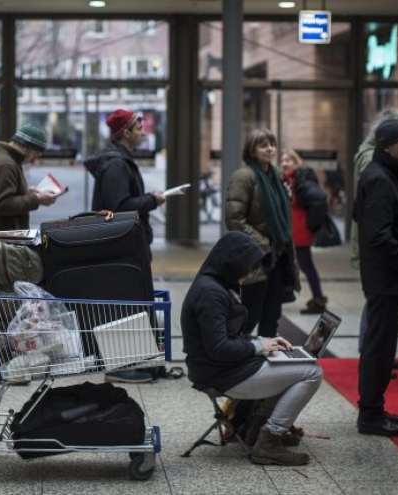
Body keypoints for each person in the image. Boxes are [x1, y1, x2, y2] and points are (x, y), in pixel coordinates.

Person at [181, 230, 322, 466]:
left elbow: (228, 338)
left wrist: (264, 343)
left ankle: (256, 430)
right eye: (245, 266)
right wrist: (259, 346)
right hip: (220, 373)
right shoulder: (211, 293)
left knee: (290, 362)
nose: (249, 273)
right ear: (231, 263)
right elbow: (219, 348)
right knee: (312, 372)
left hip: (225, 367)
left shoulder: (217, 283)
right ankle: (269, 440)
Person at [83, 108, 166, 384]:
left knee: (130, 302)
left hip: (124, 244)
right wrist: (152, 200)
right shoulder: (117, 164)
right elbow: (120, 207)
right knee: (126, 305)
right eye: (138, 127)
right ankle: (121, 365)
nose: (143, 132)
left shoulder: (119, 160)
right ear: (125, 132)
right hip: (123, 245)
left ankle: (133, 361)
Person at [0, 122, 57, 383]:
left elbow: (3, 196)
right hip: (3, 248)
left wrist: (27, 192)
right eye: (37, 152)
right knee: (2, 306)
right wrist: (37, 199)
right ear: (26, 146)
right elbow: (2, 204)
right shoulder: (5, 164)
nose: (37, 158)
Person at [354, 118, 398, 437]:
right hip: (385, 277)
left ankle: (374, 409)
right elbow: (378, 235)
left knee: (382, 346)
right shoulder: (380, 178)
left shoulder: (387, 175)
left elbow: (359, 213)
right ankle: (370, 416)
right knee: (379, 348)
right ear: (387, 145)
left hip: (385, 277)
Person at [351, 108, 398, 374]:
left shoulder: (384, 169)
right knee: (378, 327)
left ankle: (376, 362)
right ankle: (373, 369)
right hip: (383, 266)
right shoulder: (377, 171)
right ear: (387, 144)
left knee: (380, 326)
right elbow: (376, 224)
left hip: (382, 264)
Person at [225, 128, 299, 338]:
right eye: (263, 145)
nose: (270, 149)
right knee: (250, 315)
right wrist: (263, 244)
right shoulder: (244, 176)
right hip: (257, 258)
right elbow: (234, 219)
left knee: (272, 315)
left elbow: (280, 213)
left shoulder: (275, 175)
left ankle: (266, 360)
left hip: (279, 255)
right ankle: (236, 360)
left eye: (272, 144)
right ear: (252, 149)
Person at [280, 149, 327, 314]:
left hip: (299, 230)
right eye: (283, 160)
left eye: (289, 160)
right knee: (290, 265)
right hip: (290, 229)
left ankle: (318, 299)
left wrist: (310, 224)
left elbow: (319, 199)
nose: (285, 163)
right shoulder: (287, 179)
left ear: (296, 162)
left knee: (306, 265)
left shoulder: (300, 179)